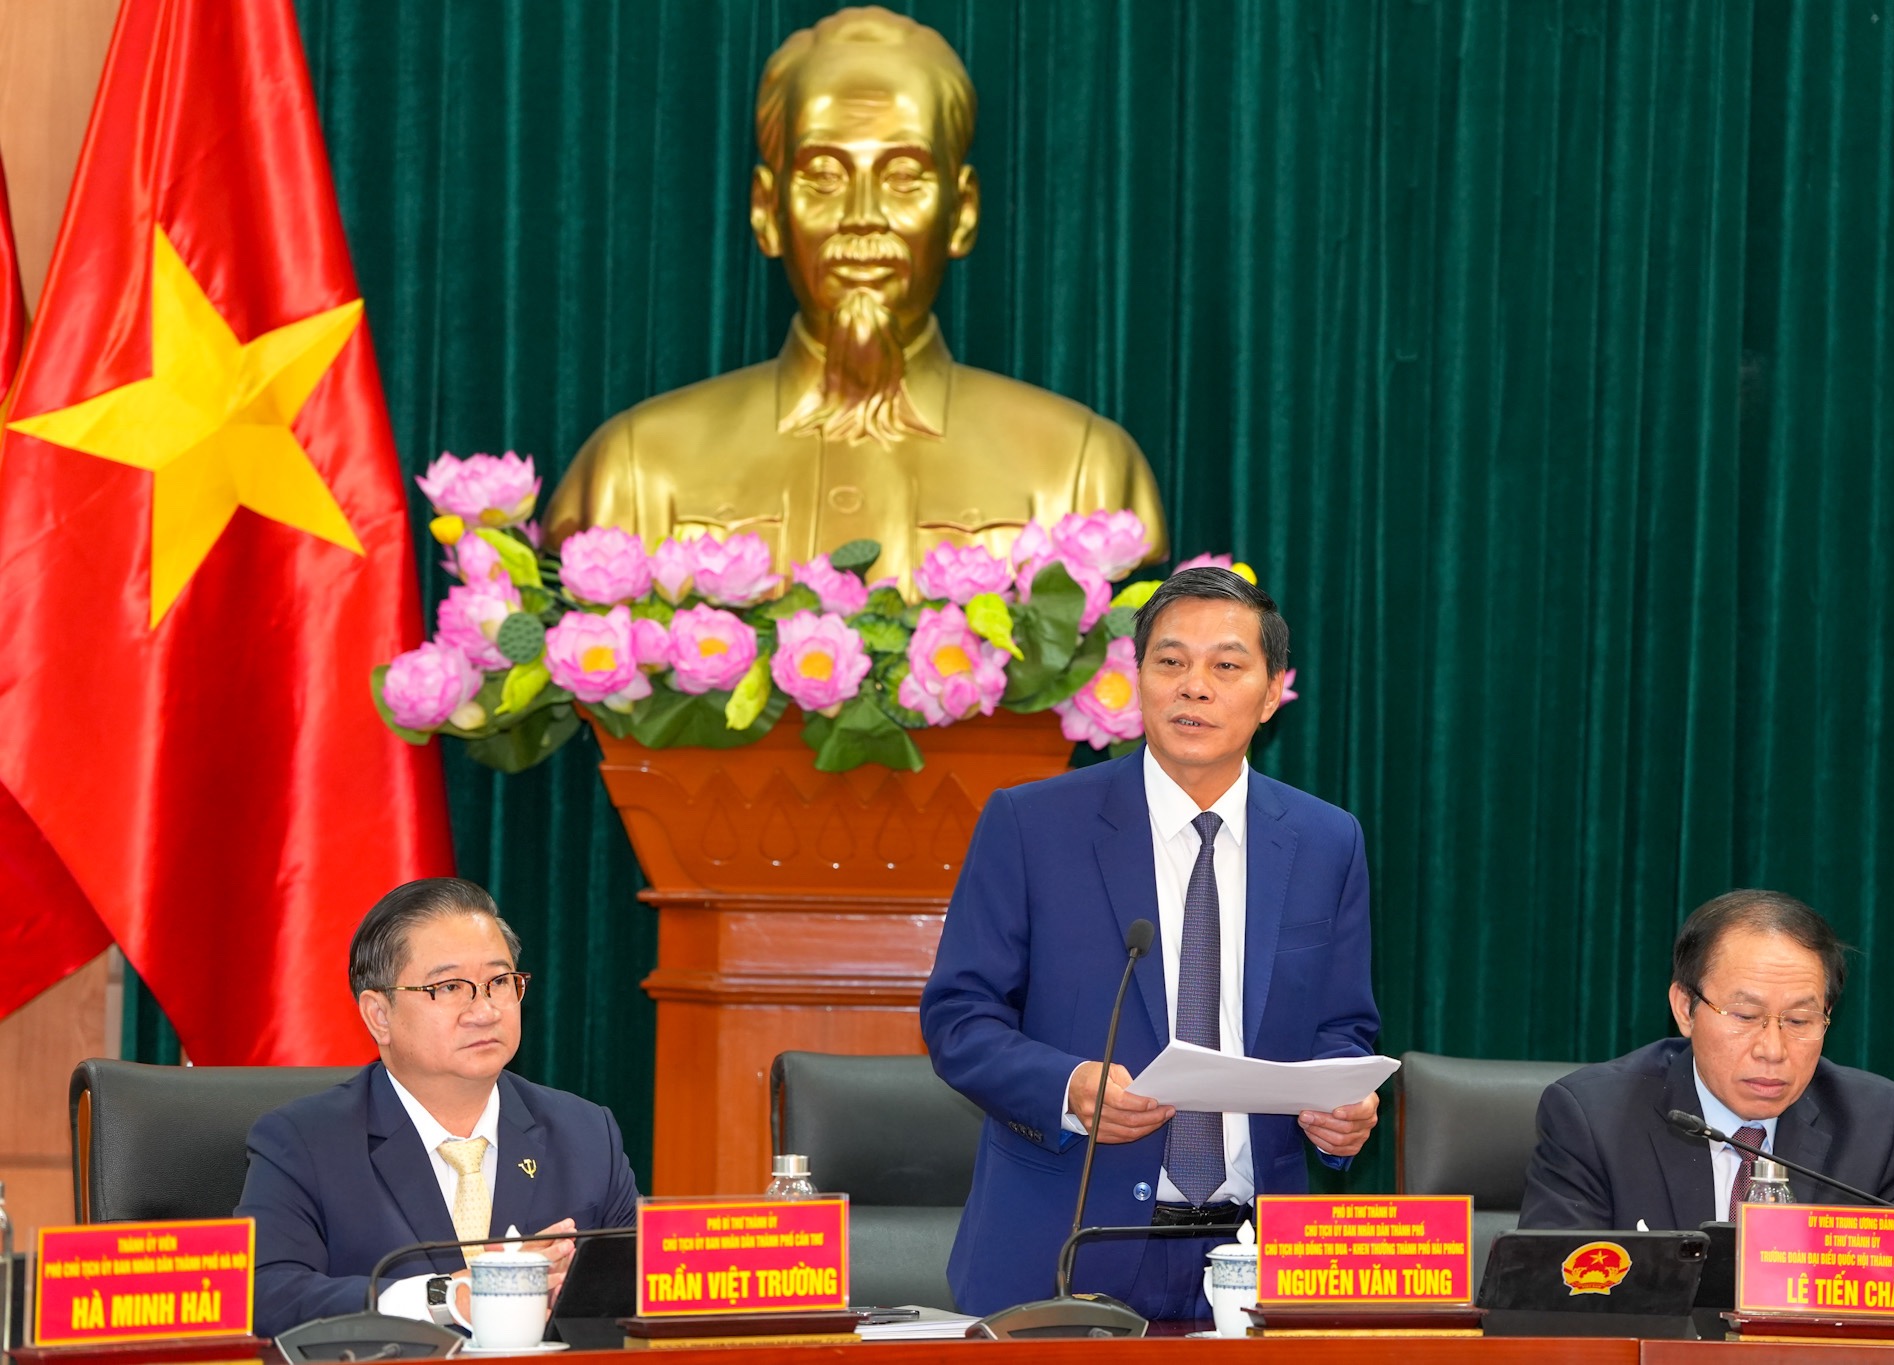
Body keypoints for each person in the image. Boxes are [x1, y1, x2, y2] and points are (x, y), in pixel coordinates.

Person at [542, 6, 1166, 589]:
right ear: (766, 210)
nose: (862, 215)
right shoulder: (635, 469)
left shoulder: (1083, 470)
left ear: (963, 212)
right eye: (824, 175)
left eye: (903, 175)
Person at [921, 566, 1381, 1321]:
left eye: (1226, 666)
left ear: (1272, 693)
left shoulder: (1327, 841)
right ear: (1138, 678)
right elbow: (959, 1017)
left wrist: (1342, 1107)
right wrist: (1067, 1086)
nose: (1193, 687)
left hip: (1258, 1255)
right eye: (1170, 661)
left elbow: (1342, 1025)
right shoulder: (1033, 825)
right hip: (1064, 1243)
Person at [237, 878, 641, 1338]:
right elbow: (266, 1295)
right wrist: (447, 1298)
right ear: (379, 1016)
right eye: (449, 987)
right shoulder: (304, 1142)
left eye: (499, 982)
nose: (484, 1011)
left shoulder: (586, 1133)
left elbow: (643, 1294)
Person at [1519, 889, 1894, 1230]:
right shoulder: (1594, 1118)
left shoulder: (1877, 1124)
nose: (1772, 1050)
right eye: (1744, 1016)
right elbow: (1556, 1291)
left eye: (1798, 1020)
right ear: (1685, 1009)